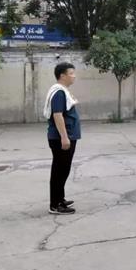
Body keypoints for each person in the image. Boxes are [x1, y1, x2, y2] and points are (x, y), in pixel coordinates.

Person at [43, 62, 81, 215]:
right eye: (71, 73)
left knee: (63, 169)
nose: (74, 76)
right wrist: (64, 138)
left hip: (66, 136)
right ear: (62, 76)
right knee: (59, 170)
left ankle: (60, 198)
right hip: (61, 138)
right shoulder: (59, 92)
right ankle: (55, 205)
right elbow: (57, 115)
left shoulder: (62, 91)